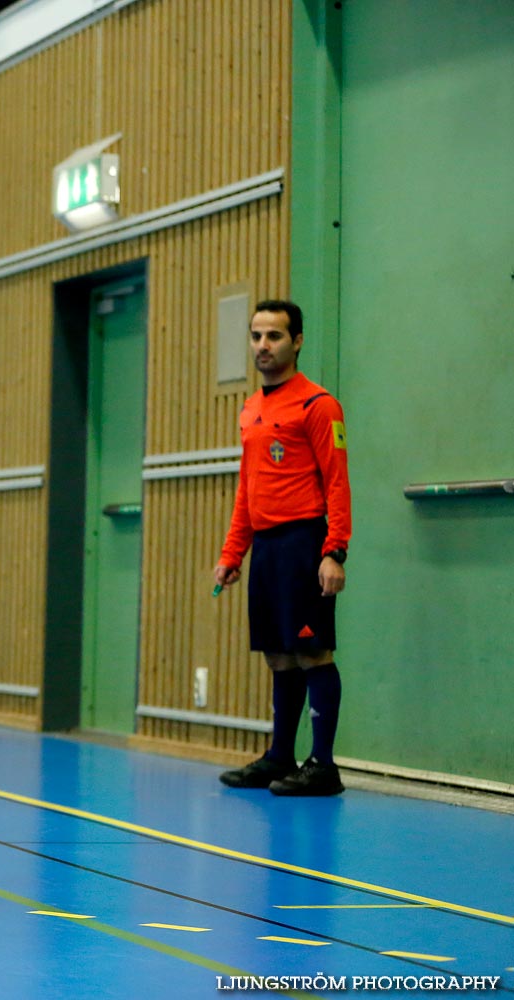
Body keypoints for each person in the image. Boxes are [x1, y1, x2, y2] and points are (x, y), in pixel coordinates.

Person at [213, 299, 352, 797]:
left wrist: (334, 550)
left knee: (312, 650)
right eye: (255, 336)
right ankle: (279, 757)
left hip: (304, 542)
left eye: (273, 336)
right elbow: (247, 488)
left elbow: (337, 482)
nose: (262, 346)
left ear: (297, 341)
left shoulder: (318, 405)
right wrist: (233, 554)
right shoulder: (251, 408)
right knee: (279, 654)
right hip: (267, 547)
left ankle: (323, 765)